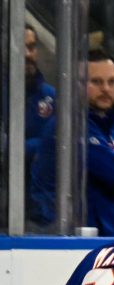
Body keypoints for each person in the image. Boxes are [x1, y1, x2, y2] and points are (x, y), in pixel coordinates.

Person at [29, 49, 114, 235]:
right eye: (96, 82)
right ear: (77, 85)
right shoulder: (67, 125)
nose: (106, 89)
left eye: (112, 82)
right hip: (63, 240)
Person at [24, 25, 55, 175]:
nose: (27, 54)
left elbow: (59, 146)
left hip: (41, 193)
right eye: (19, 47)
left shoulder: (52, 97)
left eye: (31, 47)